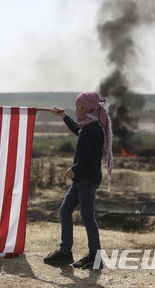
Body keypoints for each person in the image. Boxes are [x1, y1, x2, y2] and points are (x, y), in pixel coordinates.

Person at [43, 91, 113, 269]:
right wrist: (64, 116)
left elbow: (91, 159)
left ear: (88, 109)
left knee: (88, 218)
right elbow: (78, 130)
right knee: (65, 210)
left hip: (86, 180)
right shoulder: (88, 126)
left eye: (79, 108)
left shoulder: (95, 130)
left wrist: (74, 169)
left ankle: (94, 257)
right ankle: (65, 252)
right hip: (80, 180)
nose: (77, 110)